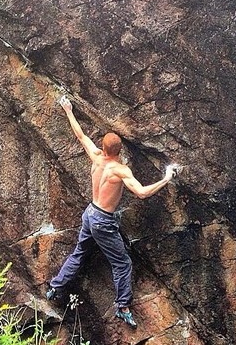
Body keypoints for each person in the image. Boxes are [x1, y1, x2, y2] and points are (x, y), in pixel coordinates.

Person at [46, 96, 176, 328]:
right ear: (119, 150)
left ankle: (55, 287)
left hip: (90, 213)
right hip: (103, 221)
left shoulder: (96, 156)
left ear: (104, 147)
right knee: (122, 263)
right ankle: (123, 307)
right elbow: (142, 193)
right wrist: (166, 178)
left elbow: (80, 135)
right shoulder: (120, 170)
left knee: (79, 253)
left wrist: (68, 110)